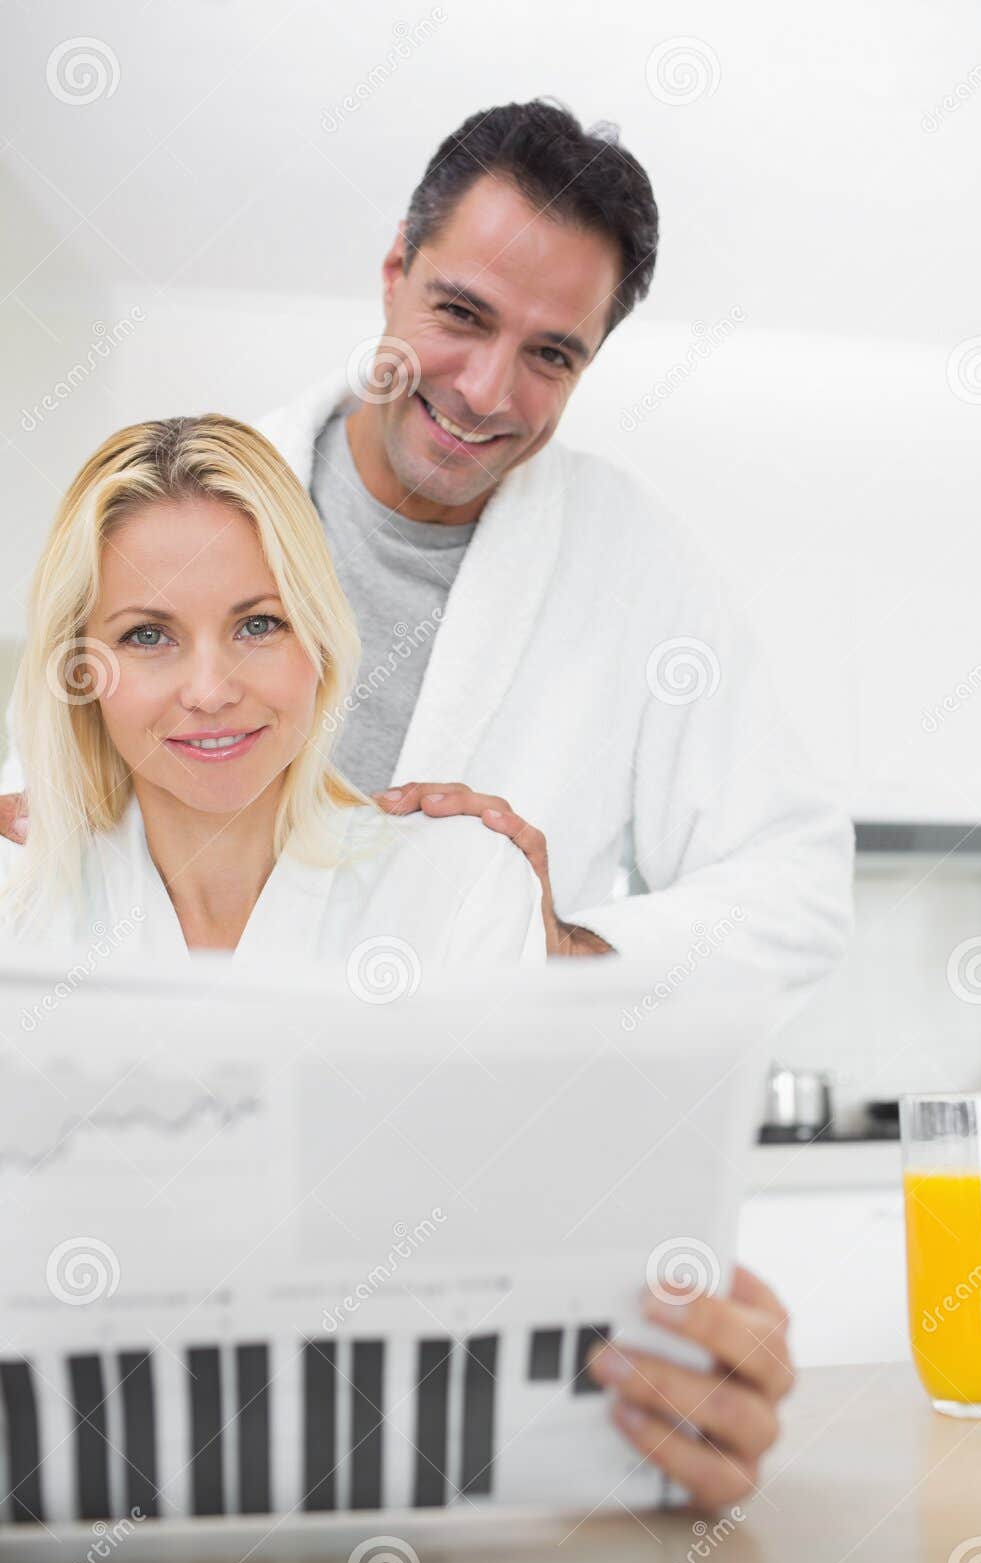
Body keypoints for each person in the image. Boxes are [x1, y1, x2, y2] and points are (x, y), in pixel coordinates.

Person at [2, 97, 854, 979]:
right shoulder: (197, 505)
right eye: (461, 315)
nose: (487, 391)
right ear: (394, 269)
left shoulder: (639, 568)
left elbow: (797, 891)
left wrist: (560, 947)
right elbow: (59, 794)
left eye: (550, 356)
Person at [0, 413, 543, 976]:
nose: (210, 693)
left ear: (321, 638)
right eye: (148, 635)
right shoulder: (15, 898)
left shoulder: (460, 885)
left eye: (258, 625)